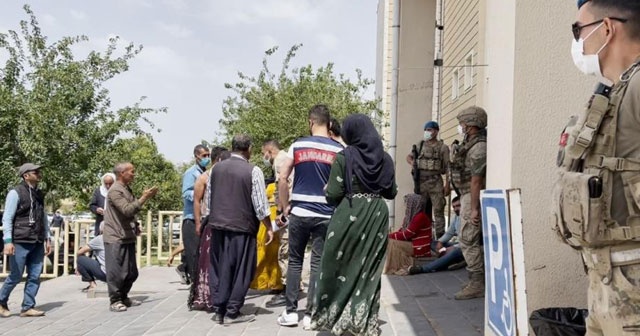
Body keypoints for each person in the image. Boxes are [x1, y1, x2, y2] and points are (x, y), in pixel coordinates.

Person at [551, 1, 640, 334]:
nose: (577, 42)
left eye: (579, 30)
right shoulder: (617, 92)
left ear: (607, 28)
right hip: (606, 286)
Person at [310, 113, 397, 336]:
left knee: (338, 264)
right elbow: (391, 191)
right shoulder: (385, 159)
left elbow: (333, 194)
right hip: (377, 215)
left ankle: (335, 315)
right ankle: (362, 319)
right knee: (369, 268)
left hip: (349, 213)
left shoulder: (344, 157)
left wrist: (327, 190)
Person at [275, 104, 344, 328]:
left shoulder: (298, 145)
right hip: (325, 213)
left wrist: (286, 206)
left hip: (300, 212)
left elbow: (282, 177)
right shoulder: (337, 150)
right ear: (329, 123)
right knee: (317, 264)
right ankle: (311, 315)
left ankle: (291, 312)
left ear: (311, 122)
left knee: (295, 260)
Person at [208, 134, 274, 324]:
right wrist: (268, 227)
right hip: (242, 227)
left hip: (218, 225)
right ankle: (232, 311)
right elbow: (260, 205)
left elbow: (210, 199)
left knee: (221, 267)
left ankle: (219, 308)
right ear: (249, 149)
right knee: (241, 270)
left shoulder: (216, 169)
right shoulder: (253, 171)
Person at [103, 162, 158, 312]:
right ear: (122, 173)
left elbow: (130, 214)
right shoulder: (115, 191)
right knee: (116, 272)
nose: (134, 174)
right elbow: (127, 210)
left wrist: (136, 225)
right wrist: (144, 197)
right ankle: (115, 300)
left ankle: (124, 297)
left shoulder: (126, 189)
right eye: (131, 171)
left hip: (127, 234)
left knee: (131, 271)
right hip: (115, 236)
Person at [0, 163, 52, 317]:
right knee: (16, 275)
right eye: (35, 172)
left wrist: (48, 237)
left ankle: (27, 307)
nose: (39, 174)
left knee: (35, 275)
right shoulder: (15, 193)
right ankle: (1, 301)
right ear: (26, 175)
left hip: (37, 239)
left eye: (39, 171)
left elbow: (43, 218)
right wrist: (8, 241)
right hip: (20, 239)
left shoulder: (39, 194)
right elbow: (7, 218)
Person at [449, 107, 487, 300]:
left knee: (467, 238)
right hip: (465, 194)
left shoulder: (479, 148)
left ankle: (477, 283)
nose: (461, 127)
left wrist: (473, 209)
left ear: (472, 125)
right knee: (469, 239)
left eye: (463, 123)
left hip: (471, 196)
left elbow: (476, 181)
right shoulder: (470, 143)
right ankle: (475, 279)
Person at [189, 147, 229, 311]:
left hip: (225, 221)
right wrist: (198, 223)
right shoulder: (203, 178)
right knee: (207, 260)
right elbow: (197, 201)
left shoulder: (227, 177)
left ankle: (222, 294)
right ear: (218, 159)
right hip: (209, 221)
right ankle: (207, 297)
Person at [262, 139, 293, 308]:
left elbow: (284, 184)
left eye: (263, 153)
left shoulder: (280, 160)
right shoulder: (283, 158)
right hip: (288, 211)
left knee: (285, 250)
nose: (264, 157)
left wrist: (282, 210)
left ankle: (287, 291)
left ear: (269, 150)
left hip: (286, 212)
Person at [406, 121, 449, 238]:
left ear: (436, 131)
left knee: (439, 210)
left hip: (436, 181)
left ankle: (440, 239)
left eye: (429, 130)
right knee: (420, 210)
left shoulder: (443, 148)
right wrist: (412, 162)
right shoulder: (420, 145)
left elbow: (448, 167)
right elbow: (409, 157)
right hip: (421, 182)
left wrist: (447, 185)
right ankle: (423, 237)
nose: (427, 132)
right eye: (426, 130)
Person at [408, 196, 465, 274]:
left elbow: (470, 242)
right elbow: (449, 233)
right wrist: (440, 242)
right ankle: (449, 259)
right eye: (454, 207)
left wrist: (453, 247)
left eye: (458, 206)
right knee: (433, 243)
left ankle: (423, 269)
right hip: (457, 244)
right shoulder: (456, 217)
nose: (456, 209)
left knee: (454, 251)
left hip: (466, 247)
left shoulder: (470, 218)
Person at [180, 144, 210, 286]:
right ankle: (194, 282)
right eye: (204, 156)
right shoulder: (191, 173)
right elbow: (186, 193)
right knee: (192, 253)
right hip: (191, 218)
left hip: (203, 217)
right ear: (196, 156)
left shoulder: (207, 172)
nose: (207, 158)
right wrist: (200, 195)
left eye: (208, 155)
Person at [383, 194, 432, 276]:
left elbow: (407, 234)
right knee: (391, 240)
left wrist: (389, 236)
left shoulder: (420, 217)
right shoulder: (410, 216)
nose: (406, 205)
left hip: (420, 247)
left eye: (407, 203)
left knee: (392, 242)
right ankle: (391, 265)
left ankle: (394, 266)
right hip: (412, 244)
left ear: (413, 204)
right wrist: (390, 235)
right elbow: (401, 231)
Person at [250, 180, 283, 291]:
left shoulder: (272, 187)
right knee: (274, 253)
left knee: (265, 251)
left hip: (270, 221)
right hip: (275, 221)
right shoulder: (276, 186)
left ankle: (265, 281)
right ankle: (275, 282)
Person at [76, 222, 106, 291]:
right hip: (122, 275)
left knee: (80, 259)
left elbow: (79, 252)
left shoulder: (100, 239)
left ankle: (92, 285)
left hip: (106, 274)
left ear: (101, 229)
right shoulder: (120, 238)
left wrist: (77, 266)